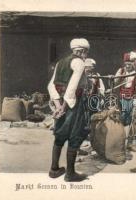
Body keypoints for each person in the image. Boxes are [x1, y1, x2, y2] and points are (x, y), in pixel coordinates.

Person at [47, 38, 90, 182]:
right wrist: (64, 107)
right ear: (83, 51)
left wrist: (58, 105)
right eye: (86, 52)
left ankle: (54, 170)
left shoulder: (60, 62)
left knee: (59, 135)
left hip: (61, 103)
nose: (85, 55)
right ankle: (70, 173)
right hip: (73, 105)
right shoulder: (79, 62)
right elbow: (72, 88)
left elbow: (50, 86)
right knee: (75, 135)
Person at [114, 53, 136, 152]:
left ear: (133, 63)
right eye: (126, 64)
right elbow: (114, 82)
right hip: (122, 98)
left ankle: (129, 143)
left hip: (132, 97)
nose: (127, 66)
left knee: (131, 119)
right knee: (123, 118)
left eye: (129, 64)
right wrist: (118, 77)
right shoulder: (121, 71)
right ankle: (120, 142)